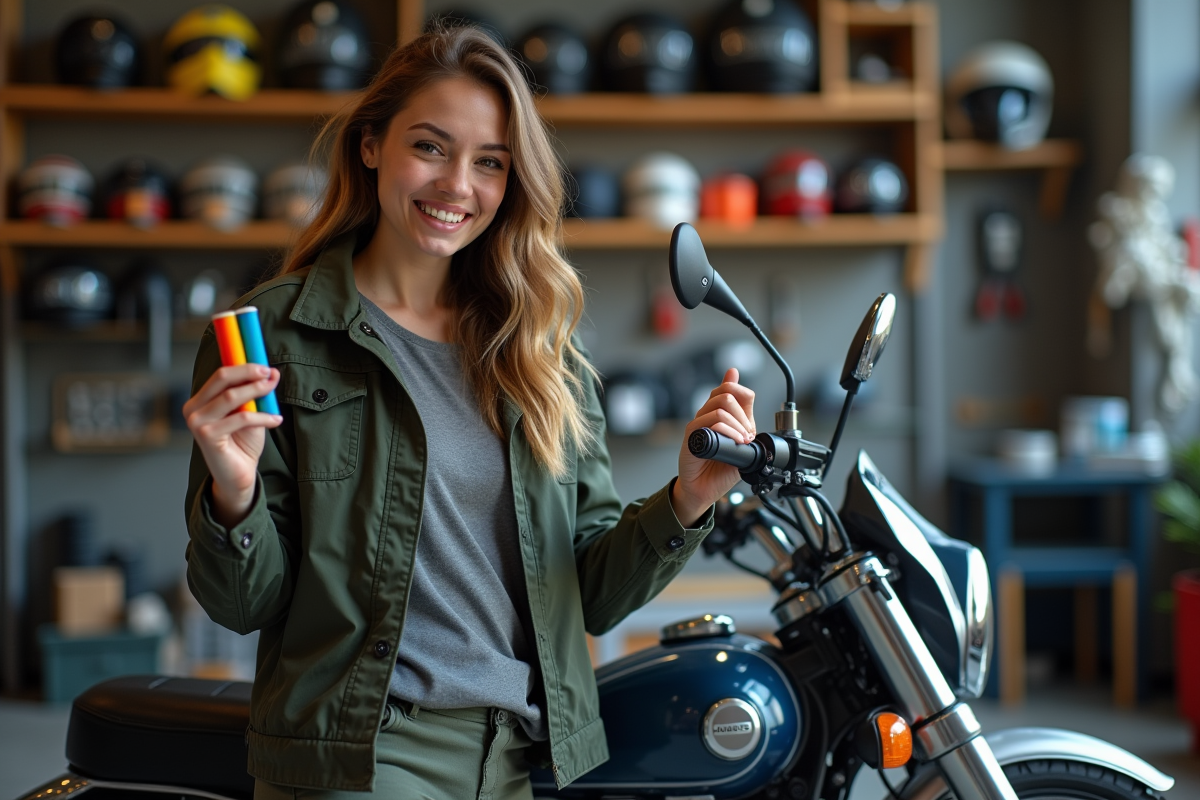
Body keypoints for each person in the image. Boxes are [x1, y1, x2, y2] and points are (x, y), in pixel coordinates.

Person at [182, 25, 756, 800]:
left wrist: (688, 498)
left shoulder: (540, 350)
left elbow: (587, 595)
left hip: (517, 755)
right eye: (431, 147)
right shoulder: (275, 337)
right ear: (371, 146)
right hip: (363, 755)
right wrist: (232, 491)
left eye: (490, 162)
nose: (458, 184)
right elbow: (242, 605)